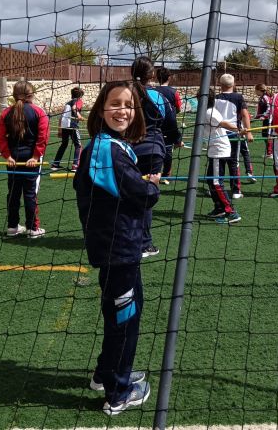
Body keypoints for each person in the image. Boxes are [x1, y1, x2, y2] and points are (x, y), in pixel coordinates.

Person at [73, 80, 159, 415]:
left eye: (129, 105)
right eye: (115, 104)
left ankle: (106, 373)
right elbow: (141, 195)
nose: (122, 111)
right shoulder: (105, 150)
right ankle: (118, 392)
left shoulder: (111, 146)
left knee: (124, 313)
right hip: (117, 248)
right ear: (101, 109)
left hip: (120, 246)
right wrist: (151, 185)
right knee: (125, 319)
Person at [130, 57, 180, 258]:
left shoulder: (125, 93)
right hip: (151, 150)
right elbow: (171, 124)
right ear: (152, 74)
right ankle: (144, 243)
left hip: (125, 150)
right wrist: (176, 140)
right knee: (146, 196)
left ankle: (128, 237)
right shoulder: (158, 97)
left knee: (126, 193)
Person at [0, 81, 49, 238]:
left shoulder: (6, 113)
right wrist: (35, 156)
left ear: (14, 95)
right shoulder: (38, 112)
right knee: (30, 193)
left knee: (13, 193)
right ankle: (32, 228)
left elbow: (0, 137)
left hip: (13, 160)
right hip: (30, 160)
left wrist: (8, 156)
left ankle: (12, 226)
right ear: (31, 95)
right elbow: (43, 136)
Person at [197, 89, 242, 224]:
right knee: (211, 180)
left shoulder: (210, 112)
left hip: (219, 150)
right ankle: (219, 208)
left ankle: (231, 212)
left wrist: (238, 129)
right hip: (214, 149)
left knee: (216, 182)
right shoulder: (206, 112)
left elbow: (223, 123)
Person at [214, 73, 255, 198]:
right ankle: (236, 191)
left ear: (220, 84)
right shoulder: (238, 97)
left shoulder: (215, 98)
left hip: (219, 134)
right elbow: (245, 115)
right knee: (233, 162)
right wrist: (249, 132)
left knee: (219, 161)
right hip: (233, 133)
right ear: (233, 84)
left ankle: (218, 189)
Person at [152, 66, 183, 184]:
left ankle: (155, 172)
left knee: (156, 147)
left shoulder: (153, 91)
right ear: (169, 78)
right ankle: (166, 174)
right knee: (168, 149)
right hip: (170, 124)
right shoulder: (174, 92)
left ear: (157, 78)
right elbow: (179, 108)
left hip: (156, 123)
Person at [52, 86, 85, 171]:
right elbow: (74, 108)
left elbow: (61, 117)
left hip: (64, 125)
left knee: (64, 144)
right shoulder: (79, 101)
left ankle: (55, 164)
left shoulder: (67, 103)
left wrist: (59, 130)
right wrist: (79, 115)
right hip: (72, 125)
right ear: (80, 96)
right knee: (78, 145)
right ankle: (75, 165)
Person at [254, 83, 273, 158]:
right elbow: (261, 110)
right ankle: (269, 152)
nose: (255, 92)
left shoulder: (265, 97)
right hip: (266, 119)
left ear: (259, 90)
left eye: (255, 90)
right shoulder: (262, 97)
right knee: (265, 135)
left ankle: (270, 153)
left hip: (269, 120)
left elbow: (269, 108)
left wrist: (264, 116)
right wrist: (256, 117)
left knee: (268, 135)